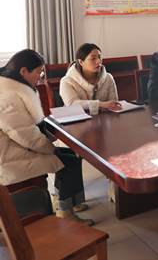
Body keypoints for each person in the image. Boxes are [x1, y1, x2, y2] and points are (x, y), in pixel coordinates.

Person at [0, 49, 93, 225]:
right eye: (39, 73)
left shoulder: (16, 87)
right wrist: (52, 148)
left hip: (18, 150)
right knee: (69, 161)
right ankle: (66, 214)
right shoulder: (7, 96)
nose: (41, 77)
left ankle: (65, 202)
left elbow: (31, 127)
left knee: (71, 155)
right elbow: (26, 135)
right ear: (23, 71)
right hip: (9, 160)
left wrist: (50, 141)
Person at [60, 43, 122, 111]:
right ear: (81, 62)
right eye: (93, 58)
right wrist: (100, 104)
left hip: (102, 117)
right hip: (77, 117)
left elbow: (113, 104)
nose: (98, 61)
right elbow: (72, 103)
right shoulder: (66, 81)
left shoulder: (108, 78)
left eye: (99, 57)